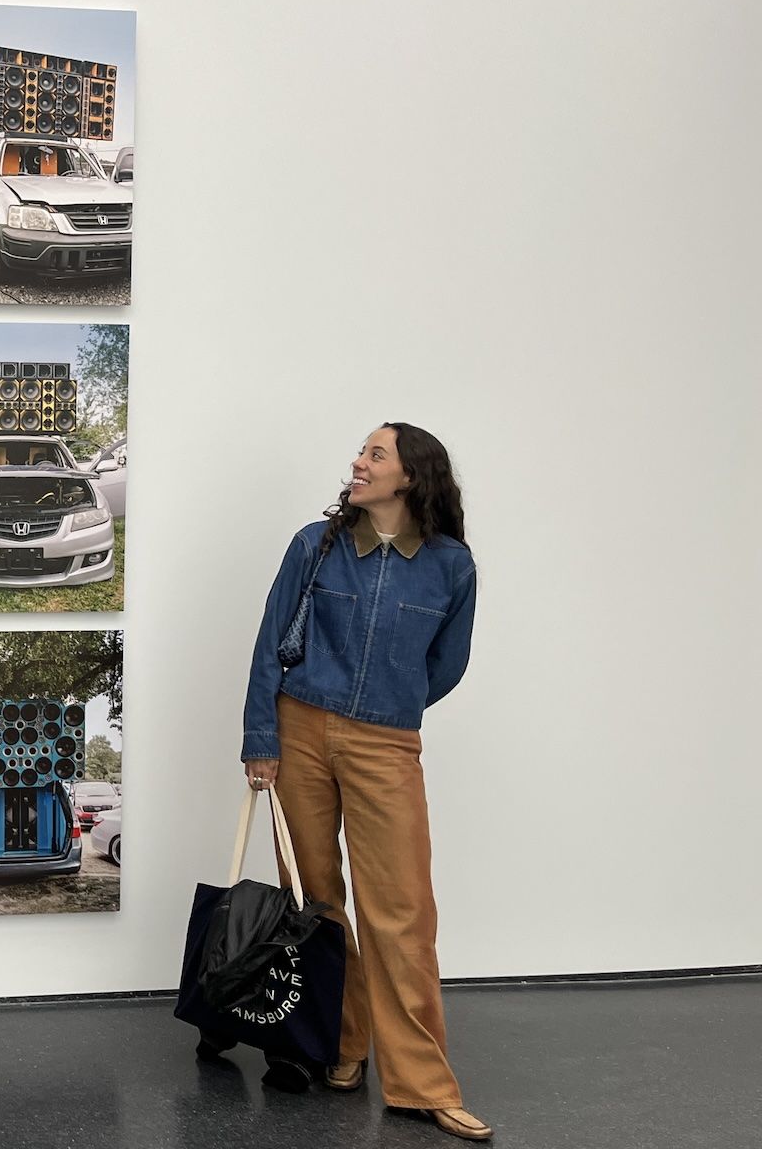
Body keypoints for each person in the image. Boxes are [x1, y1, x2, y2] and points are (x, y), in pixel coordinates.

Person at [238, 423, 488, 1142]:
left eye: (375, 455)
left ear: (411, 476)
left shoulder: (451, 566)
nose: (359, 462)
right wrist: (262, 739)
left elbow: (446, 666)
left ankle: (422, 1084)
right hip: (298, 733)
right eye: (362, 452)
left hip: (387, 744)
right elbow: (269, 645)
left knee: (402, 912)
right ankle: (344, 1044)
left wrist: (388, 707)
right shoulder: (314, 545)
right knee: (316, 901)